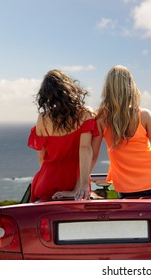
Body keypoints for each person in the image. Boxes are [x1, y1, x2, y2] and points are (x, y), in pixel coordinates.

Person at [92, 65, 151, 200]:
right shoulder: (144, 115)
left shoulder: (100, 118)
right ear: (131, 87)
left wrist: (80, 184)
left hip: (126, 189)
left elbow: (93, 155)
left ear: (107, 89)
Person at [27, 69, 98, 202]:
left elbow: (42, 159)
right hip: (76, 180)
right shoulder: (85, 114)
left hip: (47, 180)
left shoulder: (42, 119)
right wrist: (82, 185)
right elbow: (85, 148)